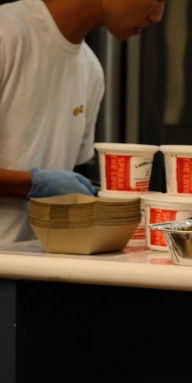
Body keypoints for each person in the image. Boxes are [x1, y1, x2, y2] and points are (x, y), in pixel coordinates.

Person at [0, 0, 166, 245]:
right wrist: (33, 183)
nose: (158, 16)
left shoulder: (91, 71)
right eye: (157, 0)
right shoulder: (6, 33)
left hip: (35, 263)